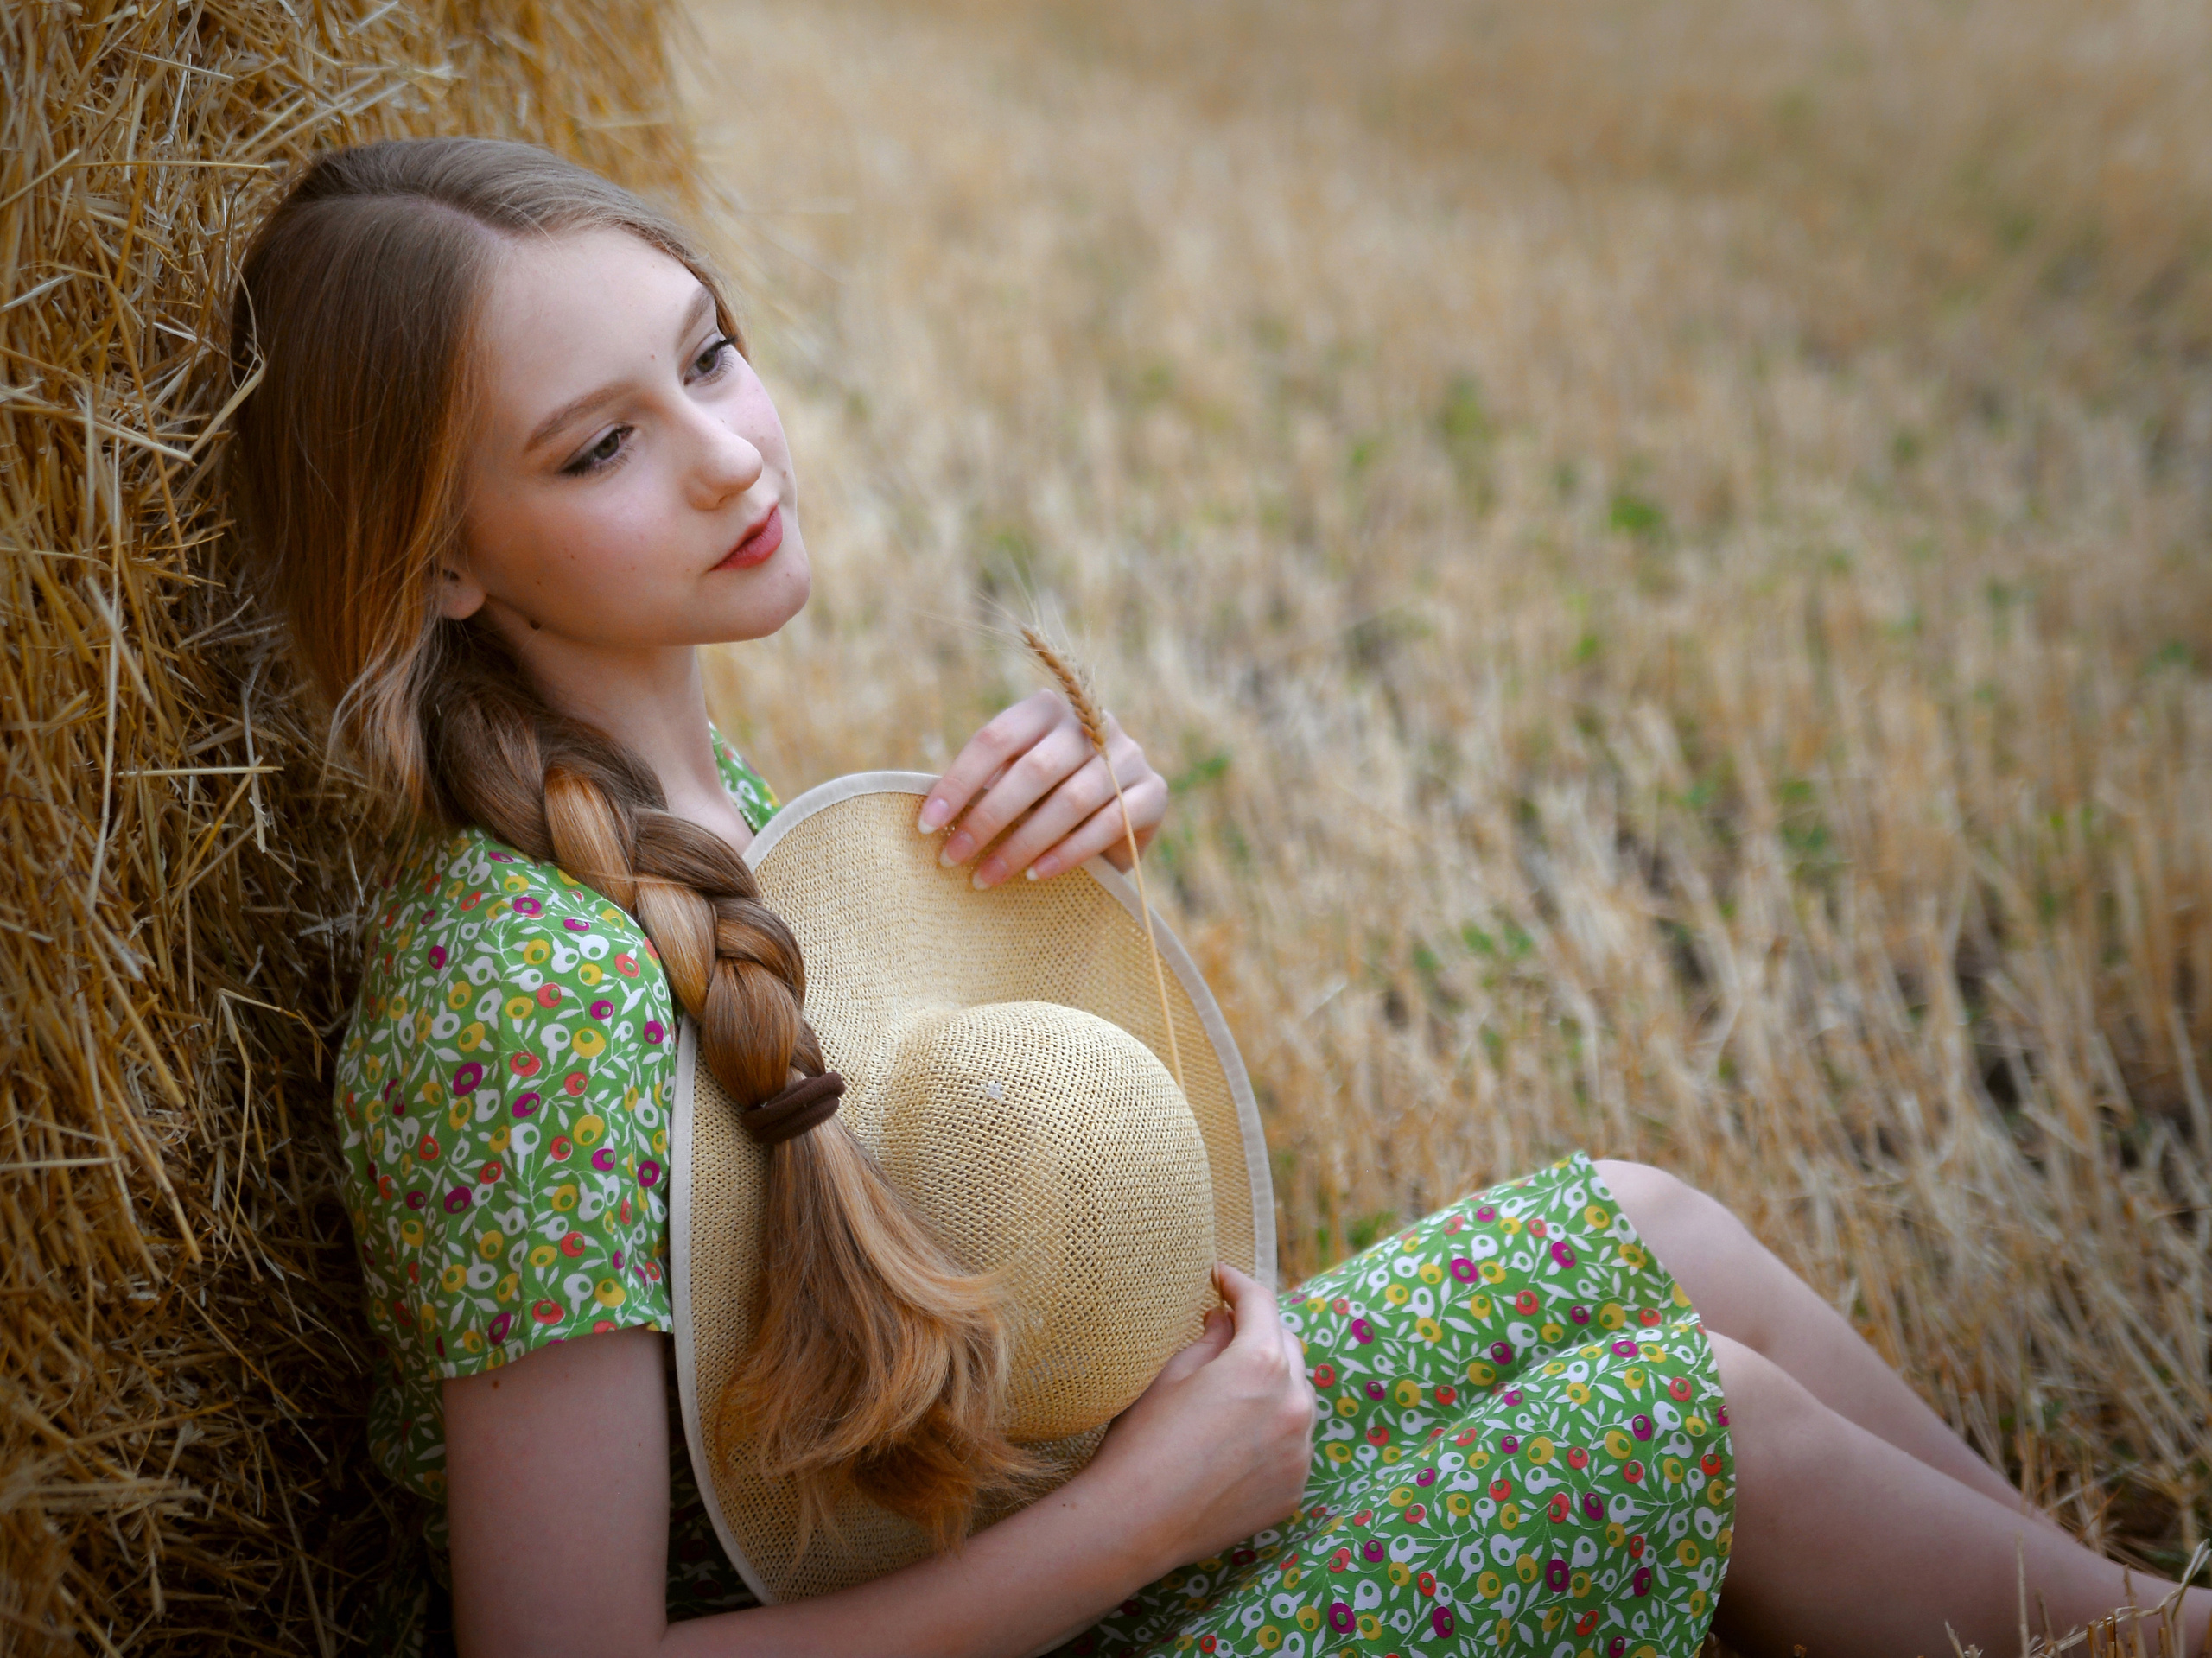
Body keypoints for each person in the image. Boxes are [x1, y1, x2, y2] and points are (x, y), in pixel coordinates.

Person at [226, 137, 2209, 1658]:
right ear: (444, 561)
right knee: (1674, 1421)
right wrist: (1142, 1522)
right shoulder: (508, 1003)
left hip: (1003, 1555)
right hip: (1019, 1601)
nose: (730, 454)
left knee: (1635, 1229)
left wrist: (1059, 916)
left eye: (710, 353)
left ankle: (2124, 1617)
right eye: (602, 446)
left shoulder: (727, 814)